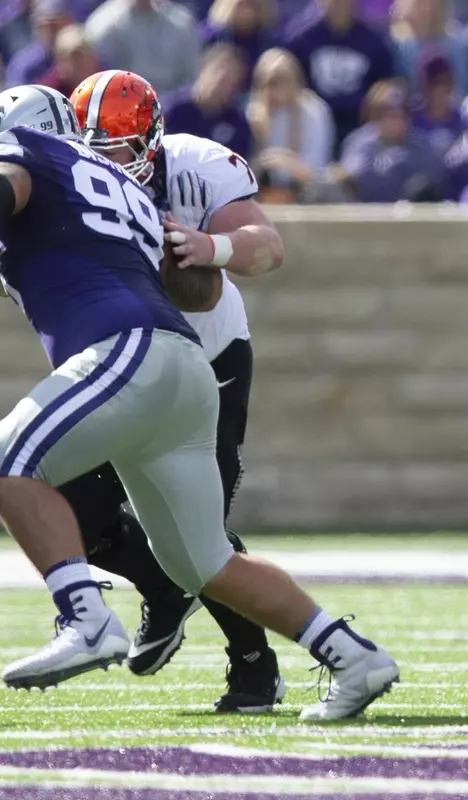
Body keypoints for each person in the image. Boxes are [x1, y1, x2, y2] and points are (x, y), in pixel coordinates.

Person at [0, 85, 397, 722]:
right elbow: (192, 291)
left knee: (9, 461)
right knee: (206, 561)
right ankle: (352, 655)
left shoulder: (29, 152)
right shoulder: (117, 186)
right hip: (183, 369)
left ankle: (85, 617)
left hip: (128, 350)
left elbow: (12, 185)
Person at [60, 69, 283, 712]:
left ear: (152, 138)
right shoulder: (58, 183)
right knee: (62, 502)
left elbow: (267, 246)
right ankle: (163, 589)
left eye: (119, 148)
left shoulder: (195, 166)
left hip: (207, 360)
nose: (106, 164)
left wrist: (210, 246)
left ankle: (254, 665)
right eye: (93, 149)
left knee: (197, 527)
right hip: (119, 363)